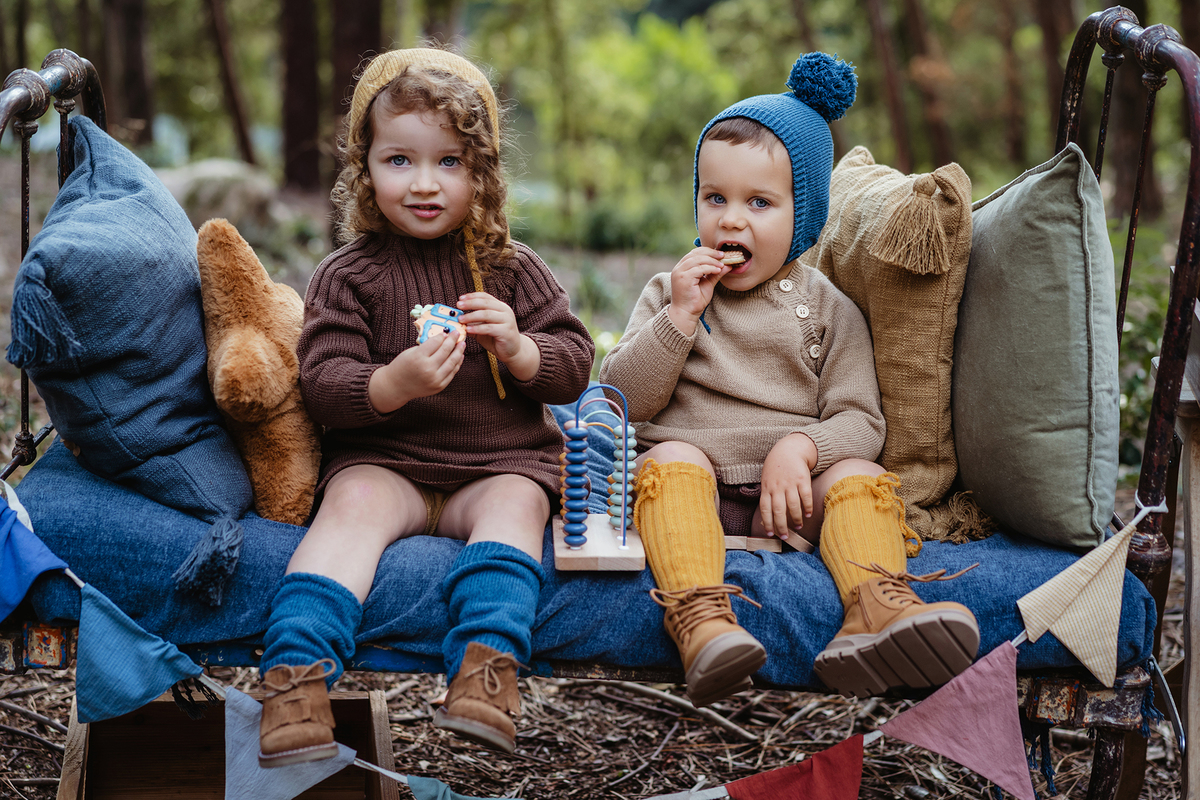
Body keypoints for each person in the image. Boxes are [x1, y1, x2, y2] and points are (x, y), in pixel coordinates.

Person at [599, 53, 978, 705]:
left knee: (860, 477)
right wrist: (679, 319)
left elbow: (862, 421)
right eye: (714, 197)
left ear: (804, 215)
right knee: (670, 458)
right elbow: (623, 396)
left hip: (794, 499)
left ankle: (877, 605)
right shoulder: (674, 290)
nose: (731, 220)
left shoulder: (830, 308)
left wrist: (802, 450)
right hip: (698, 492)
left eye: (759, 203)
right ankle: (701, 619)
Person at [256, 47, 594, 766]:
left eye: (449, 162)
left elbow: (573, 367)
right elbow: (322, 381)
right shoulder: (349, 276)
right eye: (399, 160)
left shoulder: (512, 269)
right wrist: (393, 383)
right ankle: (294, 679)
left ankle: (487, 672)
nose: (424, 183)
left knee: (516, 508)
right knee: (349, 510)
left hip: (498, 461)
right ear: (365, 168)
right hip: (390, 461)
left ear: (482, 172)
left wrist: (520, 350)